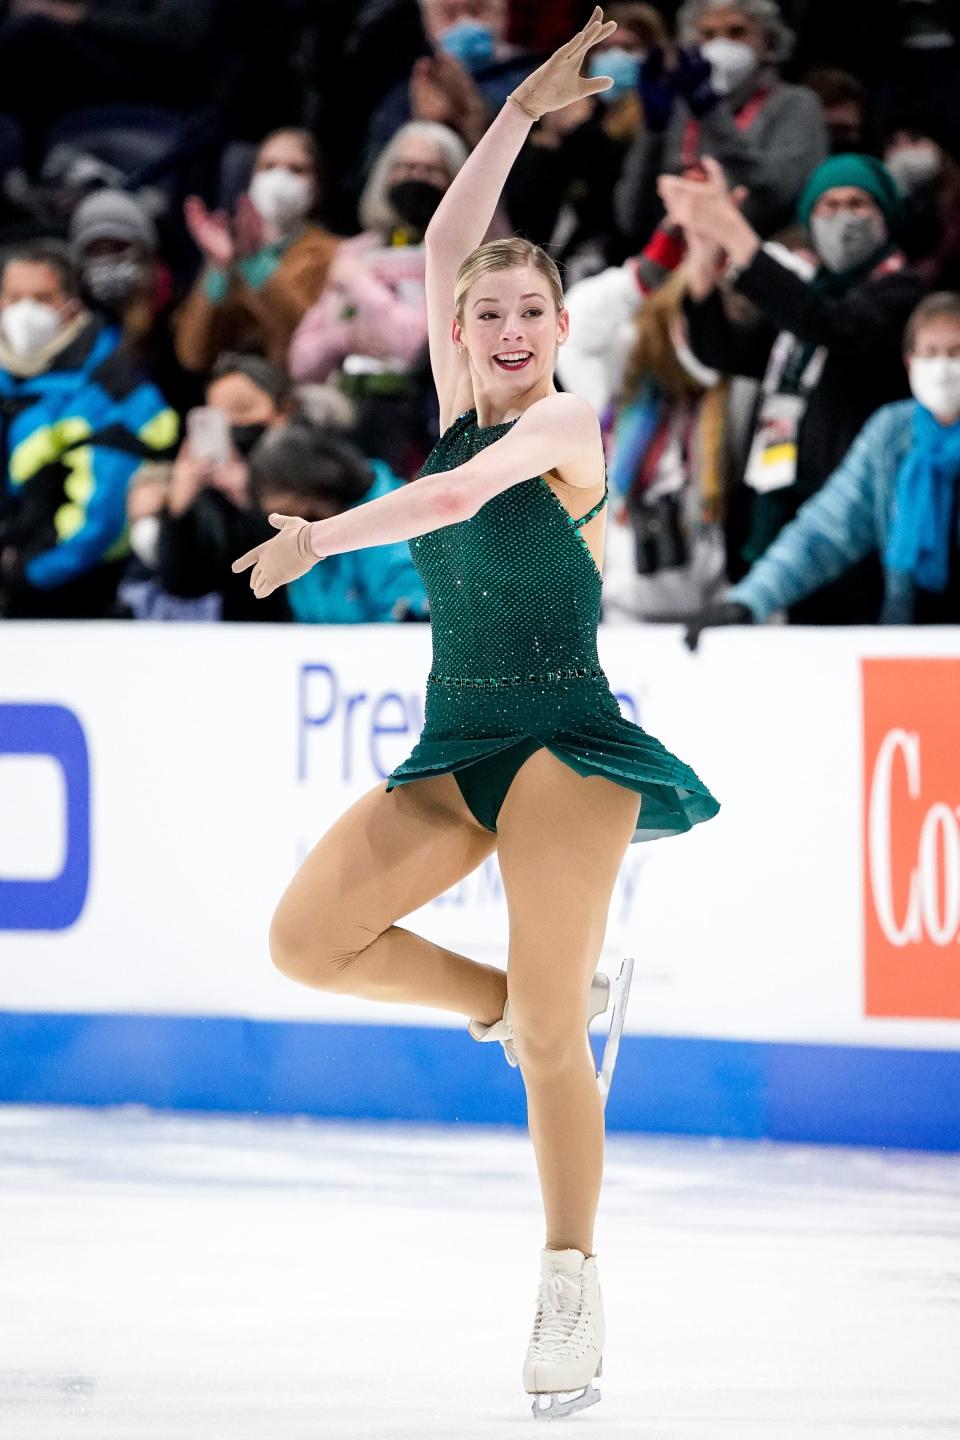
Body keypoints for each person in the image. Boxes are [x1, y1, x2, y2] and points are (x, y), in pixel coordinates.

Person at [231, 11, 719, 1419]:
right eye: (485, 316)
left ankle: (570, 1279)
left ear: (562, 330)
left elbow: (449, 502)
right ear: (460, 332)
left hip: (568, 741)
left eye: (528, 314)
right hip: (458, 743)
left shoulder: (562, 430)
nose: (504, 330)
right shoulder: (461, 389)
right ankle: (513, 1006)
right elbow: (449, 241)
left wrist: (325, 539)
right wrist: (518, 110)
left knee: (564, 1042)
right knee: (305, 940)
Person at [659, 151, 927, 622]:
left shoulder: (903, 295)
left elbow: (834, 327)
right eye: (828, 205)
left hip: (858, 527)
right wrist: (704, 252)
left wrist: (735, 232)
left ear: (886, 215)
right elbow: (722, 352)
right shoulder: (809, 298)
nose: (843, 216)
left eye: (858, 203)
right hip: (788, 517)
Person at [684, 290, 960, 643]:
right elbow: (824, 531)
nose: (943, 368)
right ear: (909, 361)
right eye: (931, 353)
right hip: (911, 644)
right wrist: (749, 601)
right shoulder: (892, 434)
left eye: (955, 353)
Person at [0, 241, 178, 619]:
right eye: (13, 297)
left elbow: (100, 514)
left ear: (71, 303)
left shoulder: (116, 385)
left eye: (42, 298)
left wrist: (22, 575)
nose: (24, 311)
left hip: (66, 595)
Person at [289, 121, 468, 475]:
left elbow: (414, 346)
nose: (414, 178)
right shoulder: (357, 252)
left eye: (430, 171)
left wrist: (361, 286)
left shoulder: (465, 256)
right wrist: (346, 337)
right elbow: (302, 363)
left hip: (419, 417)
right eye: (404, 168)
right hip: (347, 412)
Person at [614, 0, 828, 248]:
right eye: (708, 34)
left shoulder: (795, 104)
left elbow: (775, 200)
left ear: (768, 41)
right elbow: (631, 219)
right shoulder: (682, 110)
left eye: (737, 32)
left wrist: (711, 112)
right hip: (674, 263)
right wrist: (653, 131)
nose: (721, 44)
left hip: (757, 260)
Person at [175, 129, 341, 373]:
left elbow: (311, 344)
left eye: (296, 170)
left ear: (317, 186)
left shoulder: (334, 253)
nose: (280, 178)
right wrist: (220, 270)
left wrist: (257, 267)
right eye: (268, 166)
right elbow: (192, 355)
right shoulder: (231, 249)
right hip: (230, 392)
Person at [247, 425, 430, 623]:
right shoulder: (303, 529)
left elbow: (407, 613)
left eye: (286, 509)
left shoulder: (391, 526)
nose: (275, 517)